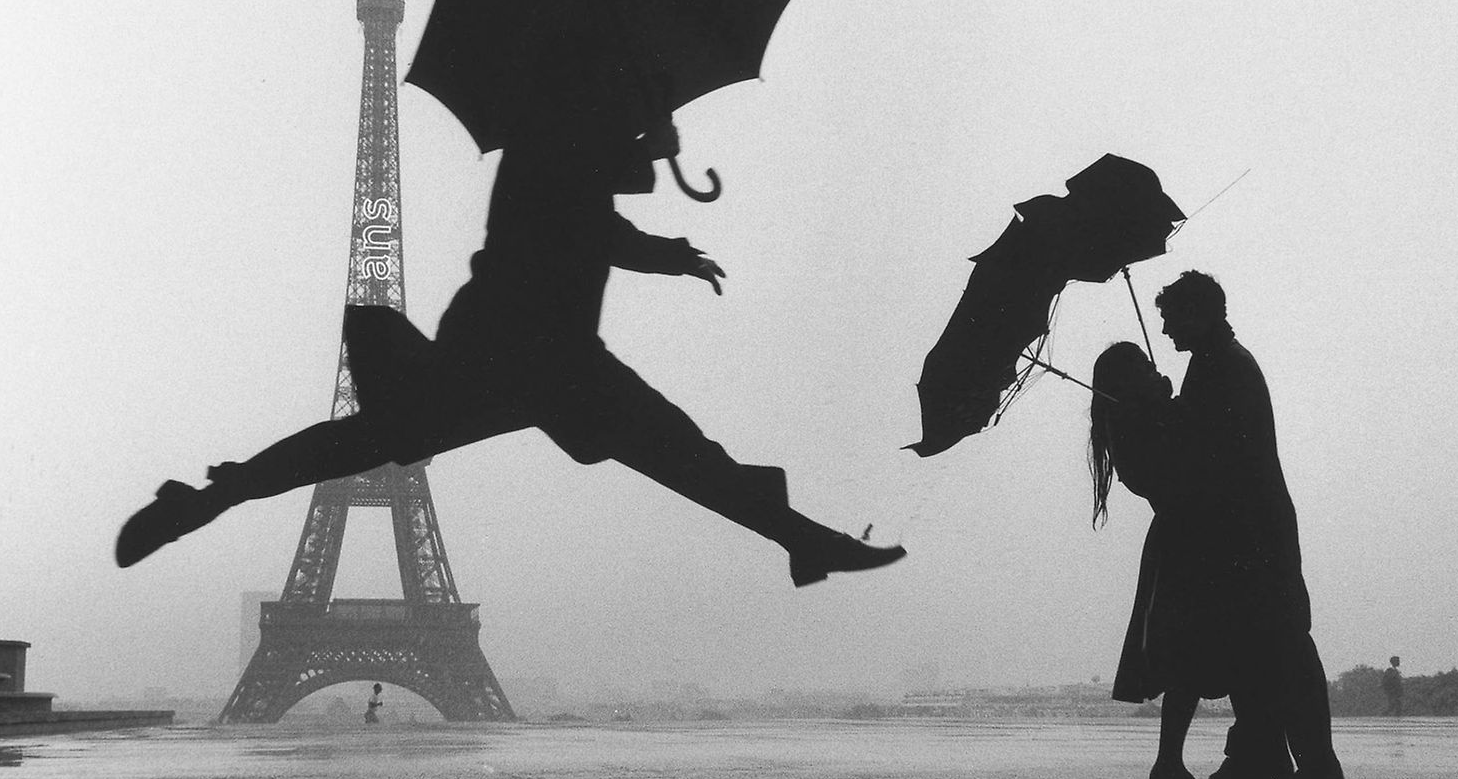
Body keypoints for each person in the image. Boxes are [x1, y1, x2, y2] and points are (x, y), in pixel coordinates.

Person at [116, 100, 905, 590]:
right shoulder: (559, 137)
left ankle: (212, 496)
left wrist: (653, 179)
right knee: (683, 454)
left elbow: (595, 209)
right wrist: (660, 197)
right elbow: (587, 217)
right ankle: (804, 542)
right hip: (537, 354)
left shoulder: (557, 131)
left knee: (365, 442)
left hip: (518, 352)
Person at [1155, 271, 1343, 779]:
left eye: (1172, 318)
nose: (1166, 330)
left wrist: (1170, 418)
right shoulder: (1221, 363)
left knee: (1270, 647)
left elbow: (1216, 455)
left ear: (1200, 313)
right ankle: (1274, 762)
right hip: (1255, 530)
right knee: (1267, 648)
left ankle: (1286, 764)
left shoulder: (1223, 368)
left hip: (1249, 534)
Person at [1089, 341, 1219, 779]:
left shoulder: (1133, 424)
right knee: (1188, 657)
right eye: (1145, 368)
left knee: (1189, 658)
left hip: (1180, 543)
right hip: (1185, 546)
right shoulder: (1136, 428)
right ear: (1129, 381)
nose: (1155, 371)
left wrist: (1168, 407)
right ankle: (1168, 762)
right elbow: (1183, 467)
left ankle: (1168, 762)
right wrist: (1171, 409)